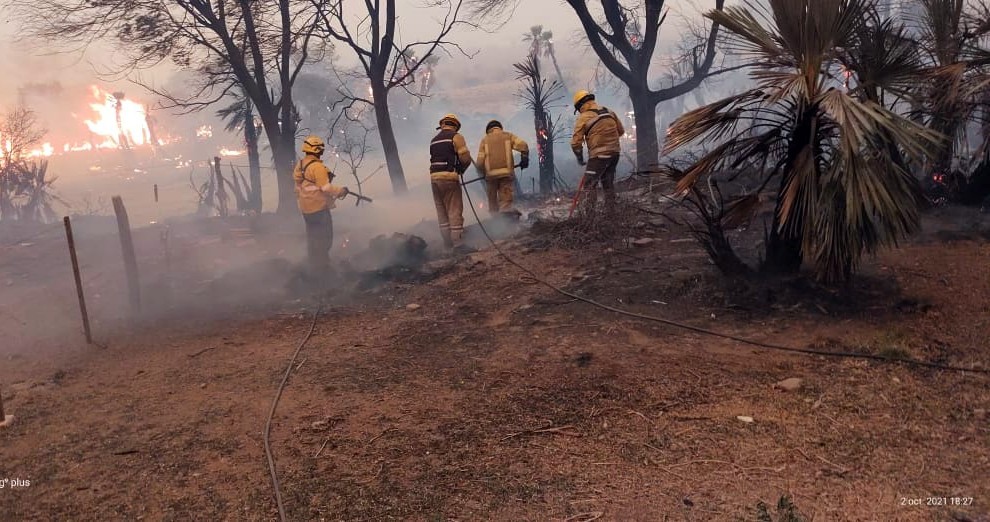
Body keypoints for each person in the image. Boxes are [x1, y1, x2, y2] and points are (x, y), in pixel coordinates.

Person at [293, 135, 349, 277]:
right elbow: (325, 188)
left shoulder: (301, 165)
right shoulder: (317, 167)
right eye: (321, 150)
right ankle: (323, 268)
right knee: (324, 238)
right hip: (319, 209)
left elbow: (298, 188)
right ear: (318, 150)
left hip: (306, 209)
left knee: (313, 238)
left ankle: (314, 265)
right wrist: (341, 191)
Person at [570, 89, 624, 211]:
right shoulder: (609, 111)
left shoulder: (583, 117)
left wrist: (580, 157)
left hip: (599, 156)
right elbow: (620, 131)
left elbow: (576, 143)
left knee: (589, 184)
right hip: (615, 153)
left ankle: (590, 216)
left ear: (579, 105)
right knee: (607, 182)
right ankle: (611, 212)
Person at [429, 113, 473, 251]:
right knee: (454, 210)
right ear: (455, 125)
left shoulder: (434, 140)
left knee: (442, 212)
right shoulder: (456, 137)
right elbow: (465, 158)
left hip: (434, 179)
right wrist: (461, 169)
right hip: (449, 178)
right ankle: (458, 244)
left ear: (443, 125)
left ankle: (447, 244)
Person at [476, 119, 529, 219]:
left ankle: (496, 222)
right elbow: (524, 145)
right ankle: (507, 222)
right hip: (506, 175)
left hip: (491, 177)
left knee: (492, 202)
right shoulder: (508, 136)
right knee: (505, 202)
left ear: (488, 130)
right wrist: (524, 159)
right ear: (500, 127)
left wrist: (484, 173)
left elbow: (479, 163)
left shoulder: (484, 140)